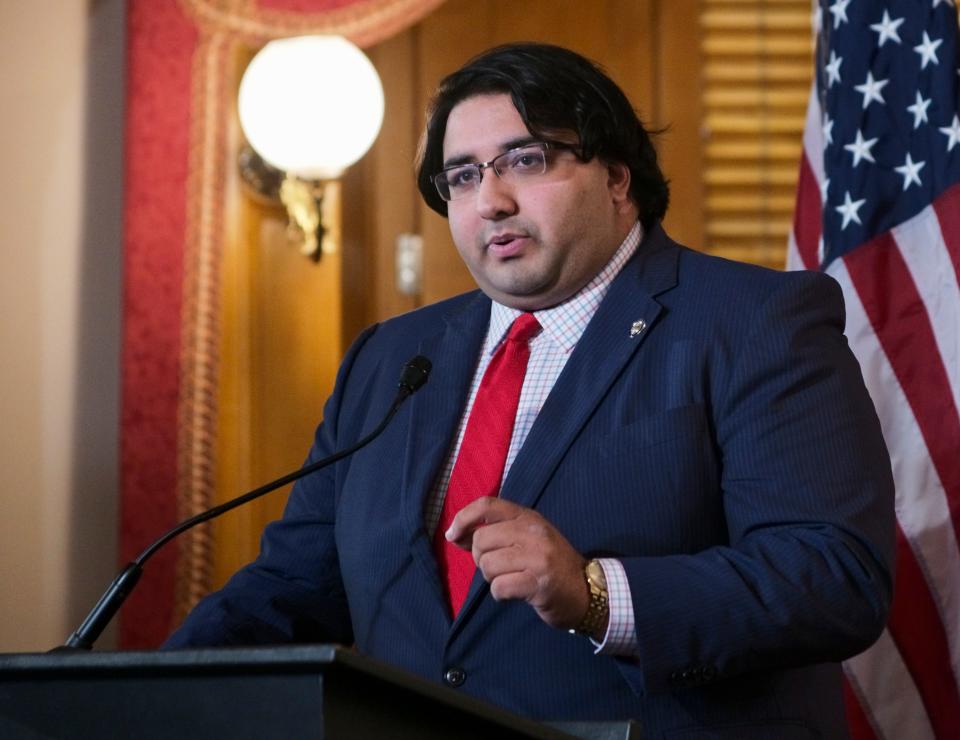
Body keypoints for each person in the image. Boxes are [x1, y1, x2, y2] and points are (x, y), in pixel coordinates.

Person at [166, 43, 894, 737]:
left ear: (617, 177)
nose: (492, 201)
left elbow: (833, 577)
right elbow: (293, 588)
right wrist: (112, 694)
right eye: (462, 176)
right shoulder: (389, 359)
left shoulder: (754, 321)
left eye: (525, 159)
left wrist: (596, 592)